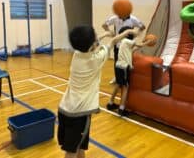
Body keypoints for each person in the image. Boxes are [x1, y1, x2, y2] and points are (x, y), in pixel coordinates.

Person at [57, 25, 138, 158]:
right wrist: (128, 32)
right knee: (71, 151)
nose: (97, 38)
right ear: (92, 45)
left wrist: (105, 34)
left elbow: (92, 43)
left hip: (65, 110)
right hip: (79, 114)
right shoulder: (96, 59)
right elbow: (112, 42)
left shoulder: (77, 55)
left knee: (79, 146)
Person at [106, 26, 152, 116]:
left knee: (118, 84)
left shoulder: (124, 42)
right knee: (125, 87)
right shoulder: (127, 41)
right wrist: (148, 42)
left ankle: (110, 103)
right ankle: (121, 108)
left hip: (119, 66)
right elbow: (139, 45)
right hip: (124, 67)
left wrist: (142, 41)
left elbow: (133, 49)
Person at [102, 0, 145, 84]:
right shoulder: (115, 18)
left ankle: (127, 79)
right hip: (117, 44)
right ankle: (117, 77)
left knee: (128, 62)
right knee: (116, 62)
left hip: (128, 46)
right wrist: (111, 33)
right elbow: (104, 25)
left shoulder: (133, 19)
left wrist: (137, 33)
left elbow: (143, 26)